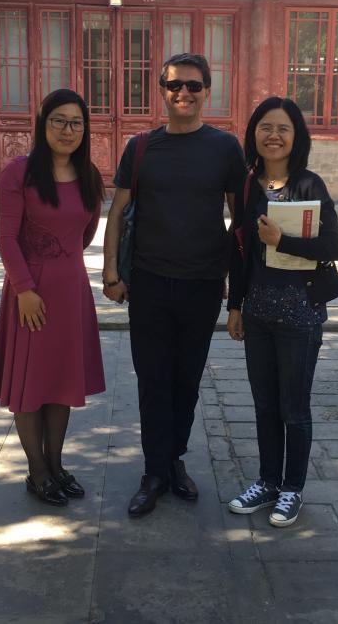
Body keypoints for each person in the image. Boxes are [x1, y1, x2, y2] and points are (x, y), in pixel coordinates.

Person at [103, 53, 246, 517]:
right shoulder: (141, 147)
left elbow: (239, 216)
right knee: (152, 379)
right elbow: (118, 213)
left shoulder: (225, 148)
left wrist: (224, 266)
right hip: (147, 283)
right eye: (173, 85)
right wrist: (110, 272)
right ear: (160, 90)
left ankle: (175, 460)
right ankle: (154, 470)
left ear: (207, 91)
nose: (183, 93)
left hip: (202, 285)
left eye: (193, 85)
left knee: (186, 380)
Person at [225, 97, 338, 527]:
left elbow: (336, 248)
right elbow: (239, 252)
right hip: (257, 313)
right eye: (265, 128)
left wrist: (283, 241)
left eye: (283, 129)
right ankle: (267, 482)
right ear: (253, 134)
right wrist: (234, 305)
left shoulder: (310, 186)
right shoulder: (245, 186)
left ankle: (292, 488)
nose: (273, 136)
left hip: (300, 314)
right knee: (263, 405)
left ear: (297, 138)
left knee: (293, 407)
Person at [0, 89, 107, 507]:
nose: (67, 130)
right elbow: (5, 238)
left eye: (76, 122)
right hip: (30, 295)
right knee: (31, 384)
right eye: (58, 120)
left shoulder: (88, 174)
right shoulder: (19, 173)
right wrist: (24, 289)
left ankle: (56, 464)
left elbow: (86, 234)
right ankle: (36, 471)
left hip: (71, 292)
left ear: (84, 129)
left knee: (61, 381)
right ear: (43, 123)